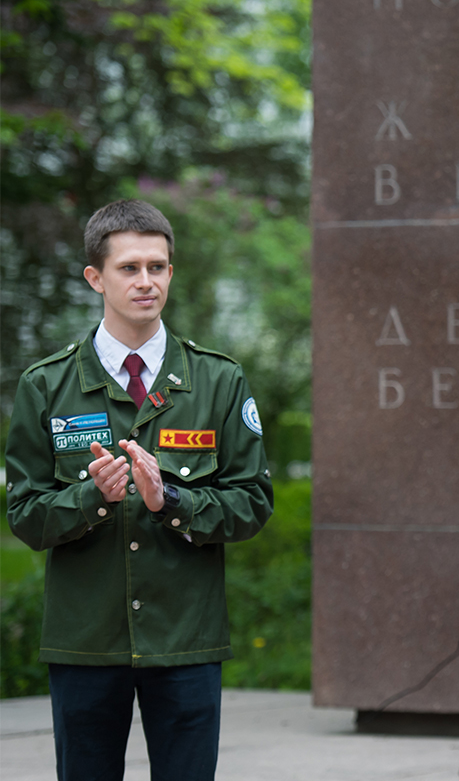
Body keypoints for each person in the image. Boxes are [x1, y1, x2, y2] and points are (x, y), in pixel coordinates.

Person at [5, 199, 274, 780]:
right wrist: (90, 497)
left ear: (172, 273)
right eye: (129, 268)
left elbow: (252, 503)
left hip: (185, 641)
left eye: (158, 266)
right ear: (96, 277)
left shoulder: (218, 381)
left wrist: (170, 501)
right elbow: (24, 515)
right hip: (85, 643)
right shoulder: (46, 386)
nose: (146, 281)